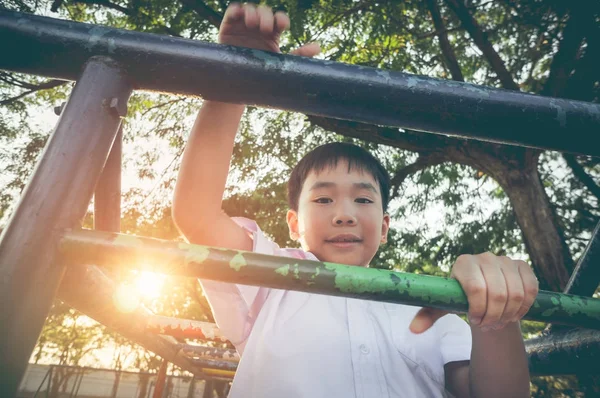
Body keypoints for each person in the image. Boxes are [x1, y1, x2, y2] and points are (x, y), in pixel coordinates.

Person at [172, 3, 539, 397]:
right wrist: (233, 80)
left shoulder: (430, 305)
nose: (345, 215)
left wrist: (497, 314)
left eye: (363, 201)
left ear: (384, 227)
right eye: (324, 199)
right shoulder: (270, 278)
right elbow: (196, 214)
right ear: (294, 223)